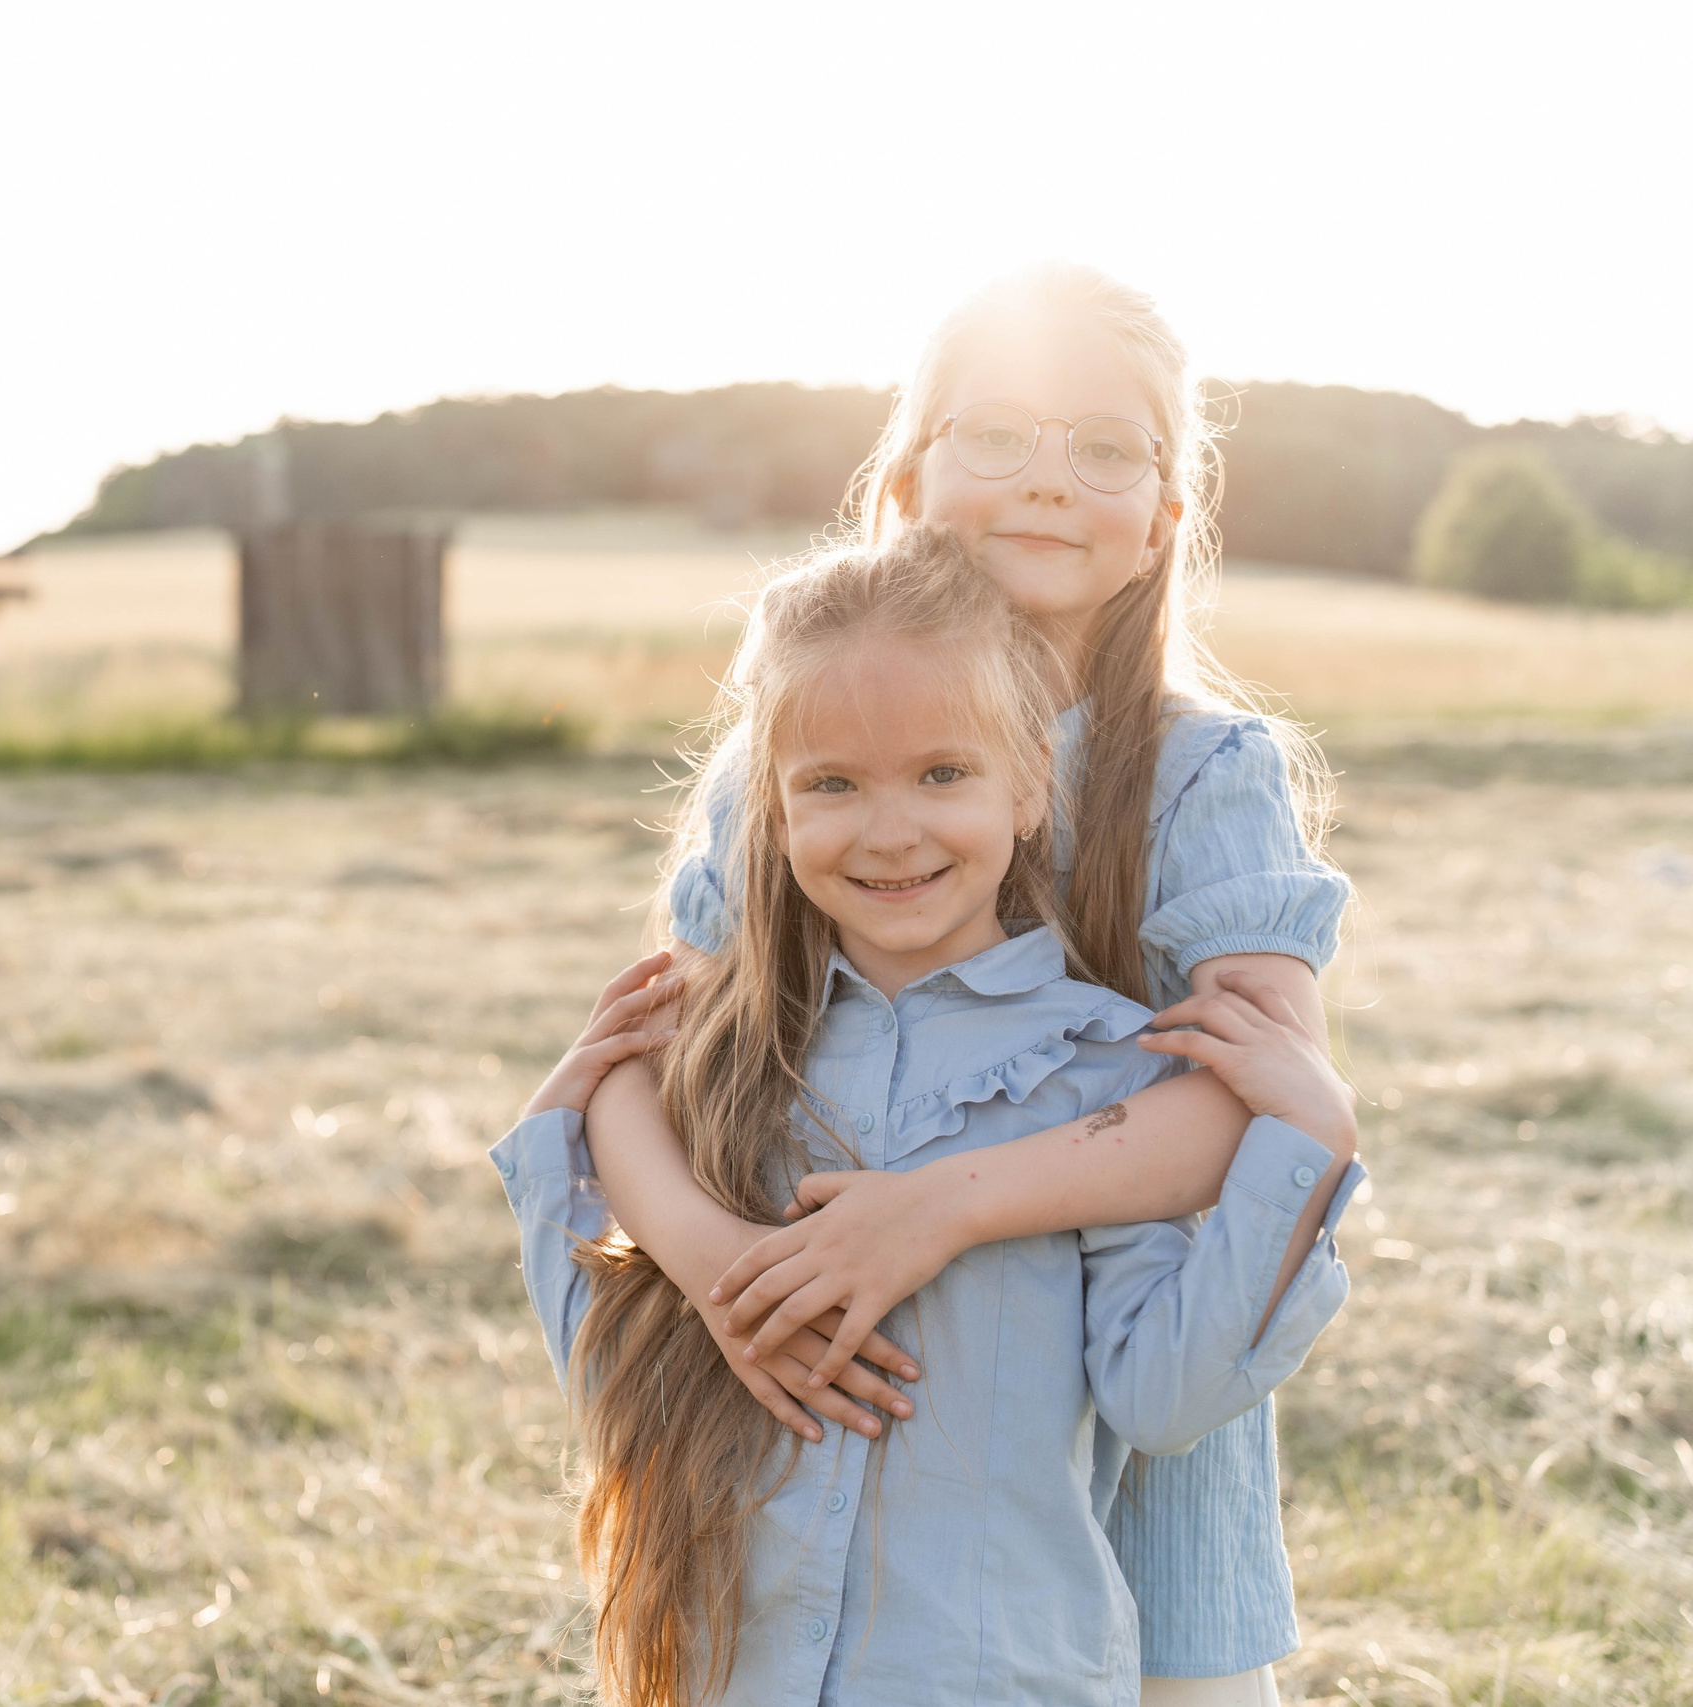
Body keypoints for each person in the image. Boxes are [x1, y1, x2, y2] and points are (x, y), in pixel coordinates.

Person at [575, 266, 1353, 1702]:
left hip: (1128, 1383)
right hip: (823, 1375)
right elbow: (648, 1067)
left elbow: (1255, 1105)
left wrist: (935, 1211)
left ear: (1168, 517)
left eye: (1106, 450)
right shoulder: (783, 761)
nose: (1049, 482)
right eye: (997, 436)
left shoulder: (1199, 774)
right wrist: (718, 1267)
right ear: (907, 481)